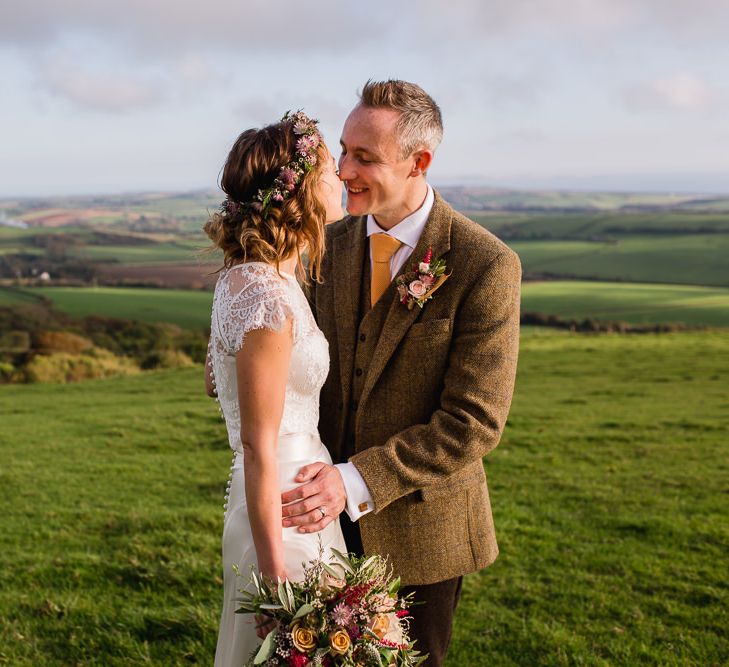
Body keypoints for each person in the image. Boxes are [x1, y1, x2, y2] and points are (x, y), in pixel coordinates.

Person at [280, 80, 522, 665]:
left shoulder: (484, 264)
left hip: (424, 536)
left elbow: (473, 422)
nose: (343, 170)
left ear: (420, 162)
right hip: (315, 528)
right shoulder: (325, 246)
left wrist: (355, 481)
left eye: (365, 157)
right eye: (342, 151)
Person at [203, 111, 347, 667]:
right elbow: (261, 445)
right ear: (302, 192)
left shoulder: (256, 277)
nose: (339, 182)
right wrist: (274, 578)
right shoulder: (265, 294)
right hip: (281, 515)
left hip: (289, 496)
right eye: (331, 170)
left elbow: (221, 378)